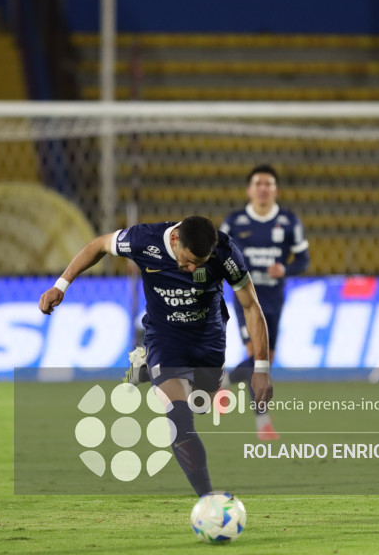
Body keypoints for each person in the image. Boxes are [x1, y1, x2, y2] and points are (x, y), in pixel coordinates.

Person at [39, 215, 272, 496]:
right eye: (187, 261)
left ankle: (145, 367)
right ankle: (207, 499)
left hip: (208, 338)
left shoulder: (225, 251)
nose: (192, 269)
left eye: (199, 263)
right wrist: (61, 285)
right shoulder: (143, 239)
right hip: (166, 337)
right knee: (180, 418)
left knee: (202, 404)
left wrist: (261, 369)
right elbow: (98, 245)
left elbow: (251, 306)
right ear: (174, 240)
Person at [220, 164, 309, 440]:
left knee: (265, 361)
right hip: (246, 297)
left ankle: (222, 381)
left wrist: (285, 269)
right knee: (257, 357)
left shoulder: (289, 222)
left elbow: (303, 260)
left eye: (268, 184)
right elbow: (218, 256)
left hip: (273, 298)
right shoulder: (234, 222)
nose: (263, 188)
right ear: (249, 189)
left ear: (275, 190)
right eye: (258, 183)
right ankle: (263, 424)